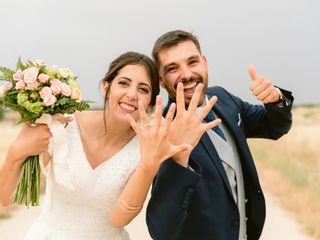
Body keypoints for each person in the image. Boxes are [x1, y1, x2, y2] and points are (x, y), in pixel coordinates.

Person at [0, 51, 217, 240]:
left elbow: (118, 218)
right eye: (123, 83)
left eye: (143, 89)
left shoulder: (145, 147)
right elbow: (5, 198)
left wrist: (148, 165)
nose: (131, 95)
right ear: (106, 88)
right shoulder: (63, 125)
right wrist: (17, 151)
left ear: (151, 102)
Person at [146, 30, 294, 240]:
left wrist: (276, 99)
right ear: (161, 80)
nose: (186, 74)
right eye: (173, 68)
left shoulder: (223, 98)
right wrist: (179, 158)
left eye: (192, 62)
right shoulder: (162, 131)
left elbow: (274, 127)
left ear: (204, 62)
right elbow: (161, 229)